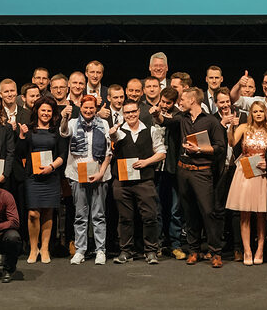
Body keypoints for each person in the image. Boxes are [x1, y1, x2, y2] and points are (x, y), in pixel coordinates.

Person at [159, 87, 228, 267]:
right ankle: (194, 250)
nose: (180, 102)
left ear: (192, 100)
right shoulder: (182, 119)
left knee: (207, 211)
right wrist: (157, 113)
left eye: (182, 99)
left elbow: (220, 147)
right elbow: (164, 122)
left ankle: (215, 252)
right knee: (189, 212)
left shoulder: (212, 121)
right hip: (184, 171)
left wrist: (200, 149)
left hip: (202, 171)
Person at [110, 99, 164, 265]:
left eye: (133, 111)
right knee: (125, 218)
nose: (131, 115)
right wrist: (112, 133)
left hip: (144, 180)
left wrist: (146, 162)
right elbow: (113, 139)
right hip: (122, 181)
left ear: (139, 112)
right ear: (123, 114)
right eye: (127, 113)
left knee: (149, 216)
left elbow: (162, 153)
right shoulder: (119, 131)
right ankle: (126, 251)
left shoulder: (151, 130)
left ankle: (151, 251)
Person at [62, 95, 111, 264]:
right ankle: (80, 249)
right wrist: (64, 117)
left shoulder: (103, 124)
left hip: (99, 175)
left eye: (91, 108)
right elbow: (63, 132)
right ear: (80, 108)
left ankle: (100, 250)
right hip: (77, 174)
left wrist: (101, 173)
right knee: (80, 215)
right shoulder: (72, 123)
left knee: (98, 215)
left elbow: (108, 152)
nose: (89, 111)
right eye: (85, 108)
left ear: (96, 109)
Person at [20, 97, 66, 264]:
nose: (46, 113)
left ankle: (45, 248)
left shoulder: (57, 131)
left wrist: (52, 167)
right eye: (43, 110)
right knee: (33, 213)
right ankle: (34, 248)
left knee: (48, 212)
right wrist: (22, 136)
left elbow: (62, 155)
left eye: (49, 111)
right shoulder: (30, 130)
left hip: (51, 175)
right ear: (37, 111)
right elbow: (20, 152)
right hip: (32, 177)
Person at [227, 100, 267, 265]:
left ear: (265, 113)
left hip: (262, 172)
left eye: (261, 111)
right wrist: (231, 127)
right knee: (245, 213)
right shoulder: (243, 128)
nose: (258, 114)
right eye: (255, 111)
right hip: (245, 171)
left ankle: (259, 249)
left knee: (261, 214)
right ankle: (247, 250)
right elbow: (232, 143)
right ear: (251, 114)